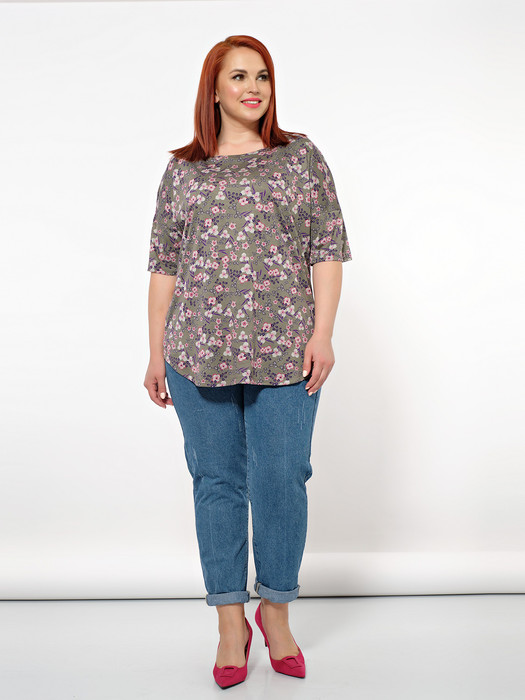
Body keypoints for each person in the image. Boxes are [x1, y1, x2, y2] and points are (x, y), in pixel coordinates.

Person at [143, 34, 352, 689]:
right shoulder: (184, 170)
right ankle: (229, 622)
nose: (253, 87)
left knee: (283, 478)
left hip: (286, 349)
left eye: (261, 75)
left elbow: (326, 249)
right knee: (217, 484)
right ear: (213, 89)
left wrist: (322, 334)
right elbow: (164, 264)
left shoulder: (299, 157)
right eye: (238, 76)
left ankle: (276, 612)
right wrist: (155, 351)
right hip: (197, 351)